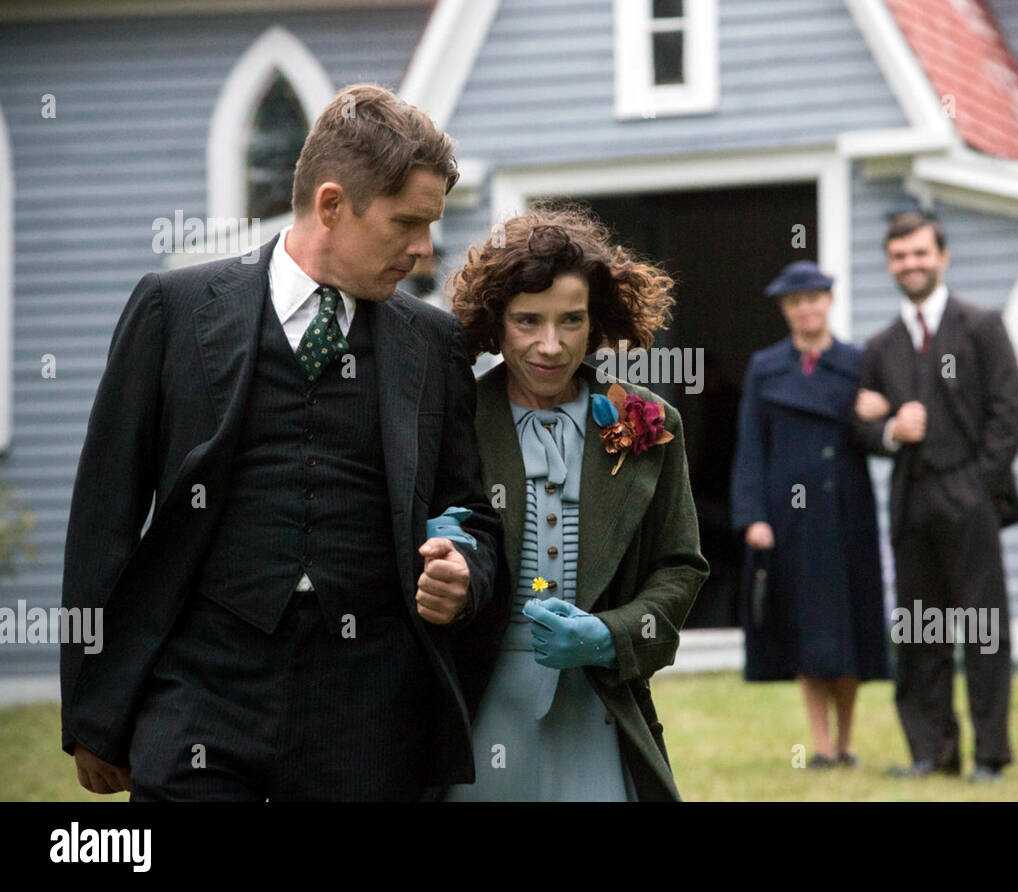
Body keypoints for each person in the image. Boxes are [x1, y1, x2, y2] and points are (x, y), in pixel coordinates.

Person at [60, 83, 504, 800]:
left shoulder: (433, 343)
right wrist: (91, 709)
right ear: (332, 204)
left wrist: (467, 571)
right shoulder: (173, 311)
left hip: (369, 706)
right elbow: (103, 518)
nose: (424, 252)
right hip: (201, 687)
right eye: (406, 224)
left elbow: (469, 513)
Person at [444, 205, 709, 801]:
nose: (551, 344)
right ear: (495, 322)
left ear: (597, 322)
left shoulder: (648, 420)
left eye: (571, 320)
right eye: (527, 321)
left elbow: (680, 566)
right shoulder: (453, 418)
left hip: (599, 707)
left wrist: (610, 635)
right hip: (481, 706)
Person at [851, 210, 1018, 783]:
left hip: (969, 497)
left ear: (942, 256)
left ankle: (991, 758)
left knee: (982, 630)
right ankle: (932, 753)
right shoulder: (880, 346)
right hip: (910, 503)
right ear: (890, 265)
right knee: (921, 632)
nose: (911, 264)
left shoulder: (981, 326)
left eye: (921, 253)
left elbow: (1009, 416)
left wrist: (977, 486)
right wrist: (889, 431)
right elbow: (861, 425)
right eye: (900, 256)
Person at [730, 261, 889, 769]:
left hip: (847, 513)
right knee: (806, 625)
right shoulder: (765, 367)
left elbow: (879, 433)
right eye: (796, 301)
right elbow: (750, 445)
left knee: (848, 625)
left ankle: (847, 743)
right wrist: (753, 514)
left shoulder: (859, 363)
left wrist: (880, 415)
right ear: (785, 309)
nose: (807, 308)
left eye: (816, 298)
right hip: (788, 517)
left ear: (830, 302)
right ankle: (820, 746)